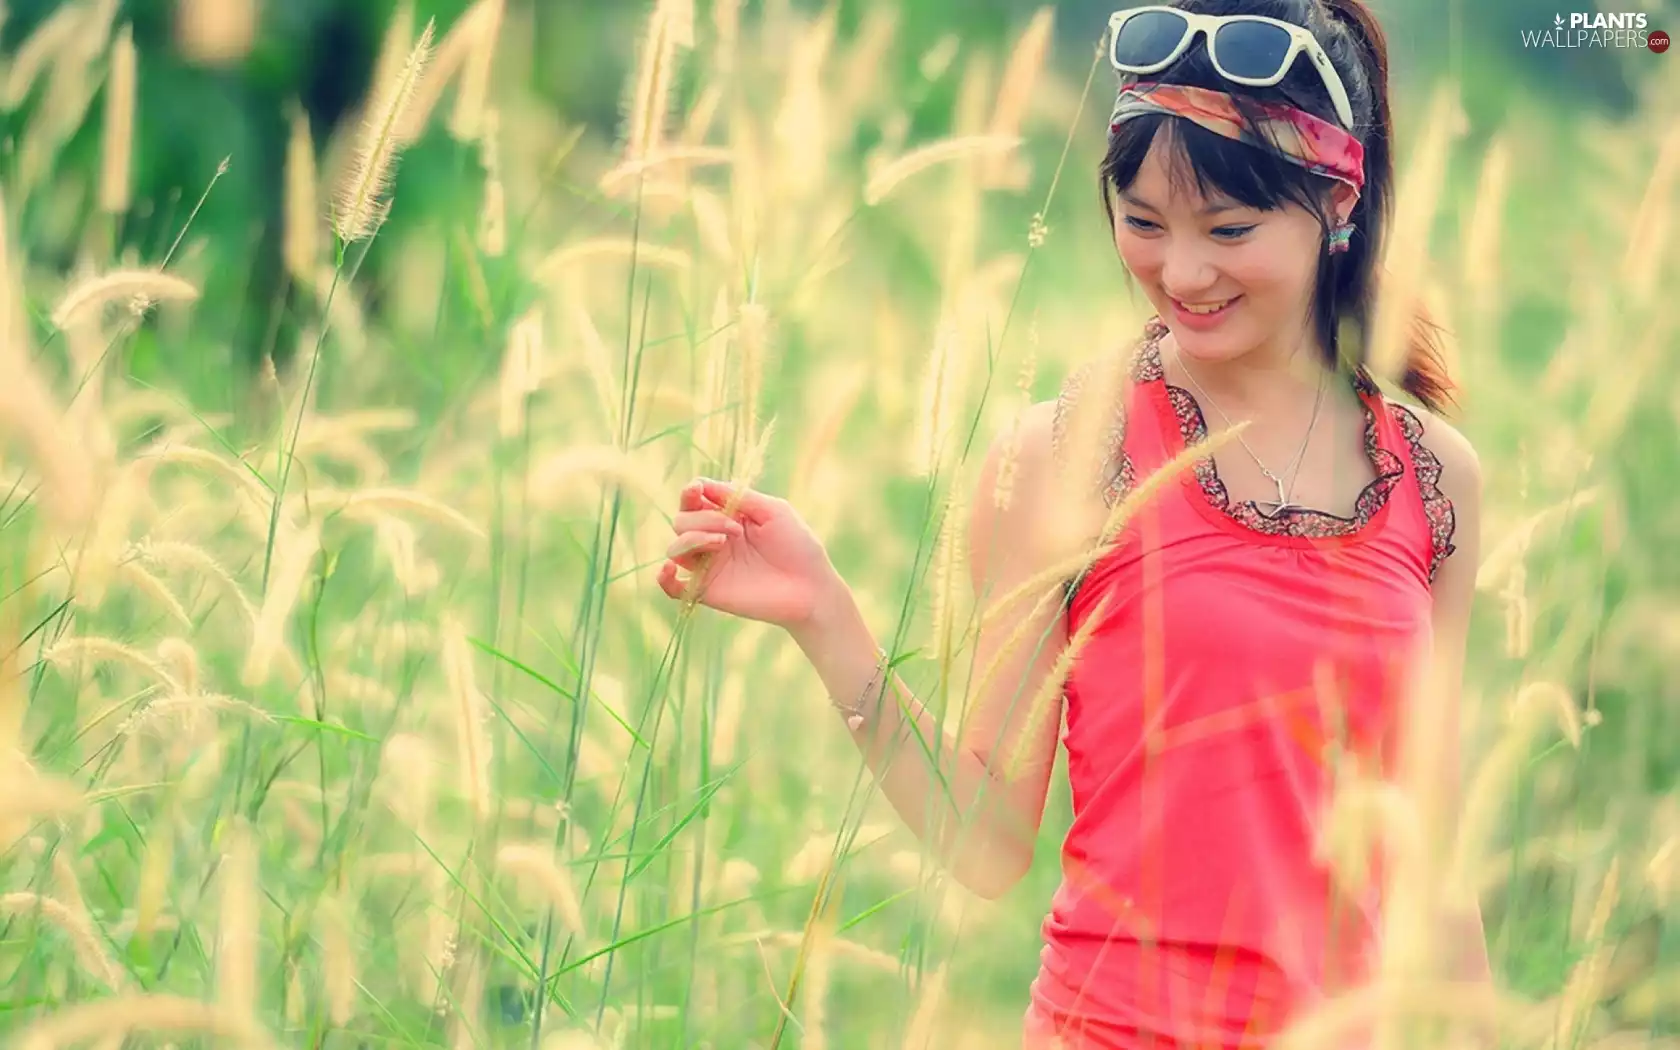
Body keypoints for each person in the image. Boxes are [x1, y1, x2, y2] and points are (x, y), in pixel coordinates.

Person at [655, 0, 1492, 1045]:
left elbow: (1434, 854)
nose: (1181, 273)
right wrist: (824, 617)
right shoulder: (1059, 456)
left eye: (1229, 230)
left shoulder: (1434, 481)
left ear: (1337, 200)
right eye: (1143, 222)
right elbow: (989, 843)